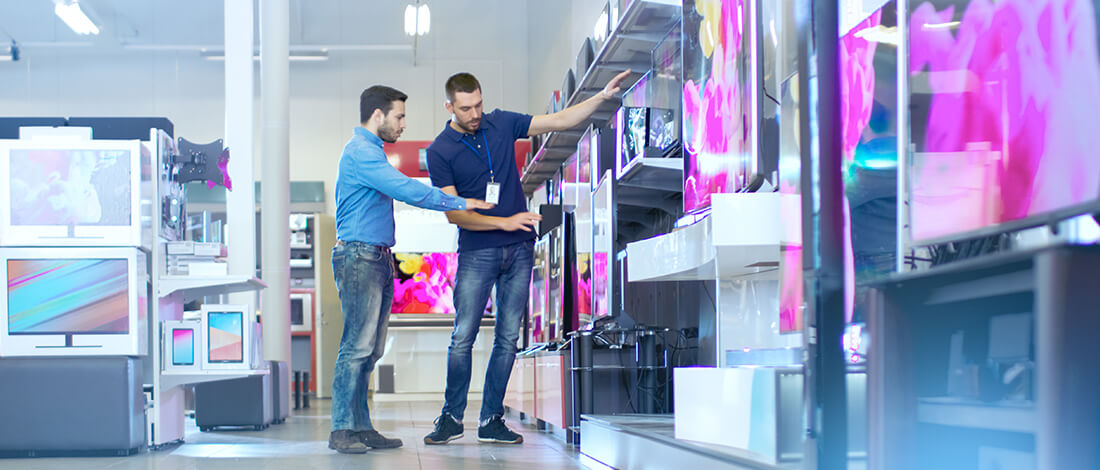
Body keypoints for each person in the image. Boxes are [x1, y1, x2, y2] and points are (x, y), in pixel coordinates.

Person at [423, 69, 631, 445]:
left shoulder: (501, 123)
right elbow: (454, 214)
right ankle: (452, 417)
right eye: (466, 108)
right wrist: (505, 222)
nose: (475, 114)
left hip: (519, 250)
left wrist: (600, 97)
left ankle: (491, 420)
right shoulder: (440, 150)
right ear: (449, 106)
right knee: (463, 337)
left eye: (479, 104)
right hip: (477, 253)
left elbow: (559, 119)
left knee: (507, 339)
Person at [329, 85, 494, 454]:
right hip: (360, 257)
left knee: (370, 351)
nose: (403, 124)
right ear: (377, 115)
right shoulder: (360, 153)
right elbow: (407, 190)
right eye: (399, 116)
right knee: (356, 347)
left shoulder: (371, 152)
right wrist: (460, 202)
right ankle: (342, 429)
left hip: (376, 257)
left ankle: (360, 426)